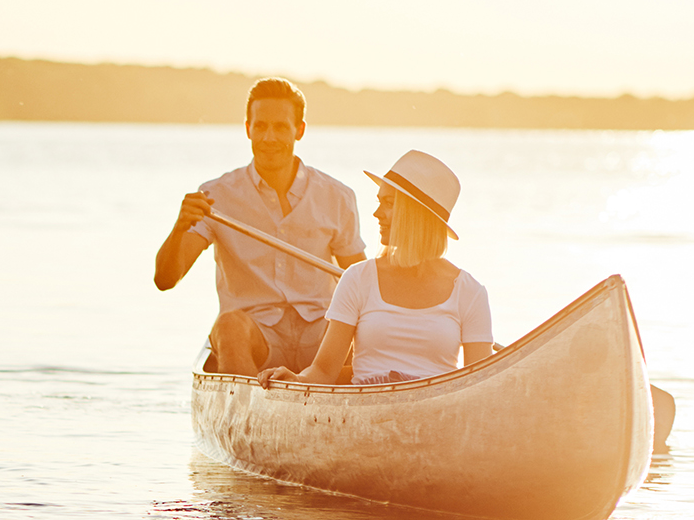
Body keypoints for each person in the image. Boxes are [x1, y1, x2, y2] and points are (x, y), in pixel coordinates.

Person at [155, 78, 367, 376]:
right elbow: (165, 279)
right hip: (256, 339)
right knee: (228, 325)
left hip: (322, 338)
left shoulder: (337, 196)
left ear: (299, 130)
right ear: (248, 129)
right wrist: (179, 228)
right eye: (261, 126)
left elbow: (362, 282)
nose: (269, 137)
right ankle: (246, 413)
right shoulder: (216, 196)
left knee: (358, 323)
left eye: (280, 127)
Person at [258, 150, 491, 387]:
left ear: (417, 214)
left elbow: (480, 384)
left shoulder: (470, 293)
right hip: (364, 409)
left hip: (435, 413)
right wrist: (296, 379)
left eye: (389, 204)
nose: (377, 214)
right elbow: (323, 370)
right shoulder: (358, 279)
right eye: (379, 202)